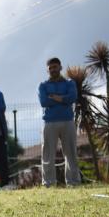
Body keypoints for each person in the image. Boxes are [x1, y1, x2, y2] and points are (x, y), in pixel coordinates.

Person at [38, 57, 81, 187]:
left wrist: (55, 97)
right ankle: (49, 184)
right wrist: (63, 98)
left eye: (55, 67)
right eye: (50, 68)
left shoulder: (70, 83)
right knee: (48, 155)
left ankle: (73, 182)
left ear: (60, 67)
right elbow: (44, 102)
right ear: (47, 70)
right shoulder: (43, 85)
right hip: (49, 123)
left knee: (71, 153)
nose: (52, 70)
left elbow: (73, 97)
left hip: (67, 121)